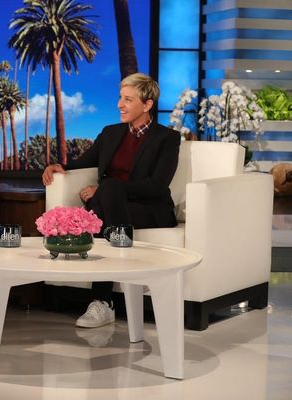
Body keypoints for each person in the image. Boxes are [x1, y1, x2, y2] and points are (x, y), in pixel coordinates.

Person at [42, 73, 180, 328]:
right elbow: (83, 163)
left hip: (150, 208)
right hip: (111, 208)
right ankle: (119, 280)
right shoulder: (110, 133)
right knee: (106, 201)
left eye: (128, 99)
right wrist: (59, 167)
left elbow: (157, 186)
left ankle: (103, 302)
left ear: (147, 104)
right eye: (120, 98)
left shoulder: (167, 138)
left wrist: (105, 190)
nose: (120, 104)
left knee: (108, 191)